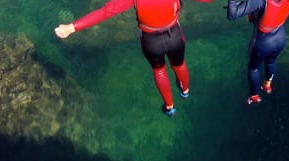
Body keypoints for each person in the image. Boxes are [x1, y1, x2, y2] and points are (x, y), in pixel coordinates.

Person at [54, 0, 212, 118]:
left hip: (151, 41)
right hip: (174, 36)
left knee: (159, 71)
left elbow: (105, 12)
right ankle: (185, 91)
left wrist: (72, 27)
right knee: (180, 65)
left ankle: (170, 107)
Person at [226, 0, 289, 105]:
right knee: (271, 61)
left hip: (262, 43)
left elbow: (232, 15)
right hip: (280, 37)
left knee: (253, 69)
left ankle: (254, 96)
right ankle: (267, 85)